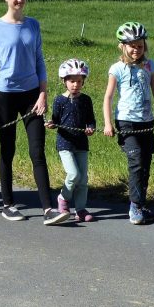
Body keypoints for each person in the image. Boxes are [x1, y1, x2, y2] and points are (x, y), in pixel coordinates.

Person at [0, 0, 70, 226]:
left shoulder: (33, 25)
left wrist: (43, 95)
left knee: (37, 152)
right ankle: (8, 204)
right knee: (7, 151)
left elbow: (40, 61)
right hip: (5, 96)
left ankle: (48, 209)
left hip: (32, 96)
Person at [103, 22, 154, 225]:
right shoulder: (117, 69)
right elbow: (108, 97)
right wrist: (107, 123)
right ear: (122, 46)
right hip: (126, 122)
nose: (136, 49)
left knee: (146, 165)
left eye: (139, 46)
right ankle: (134, 206)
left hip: (146, 122)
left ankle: (141, 204)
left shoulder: (150, 66)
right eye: (131, 45)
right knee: (136, 162)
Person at [45, 59, 96, 222]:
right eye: (72, 81)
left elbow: (91, 120)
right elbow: (55, 120)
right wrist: (51, 124)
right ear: (64, 81)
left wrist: (91, 128)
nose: (76, 84)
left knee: (83, 179)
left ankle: (80, 209)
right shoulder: (59, 100)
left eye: (79, 81)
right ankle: (63, 198)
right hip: (65, 143)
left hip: (81, 143)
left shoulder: (86, 100)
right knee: (73, 174)